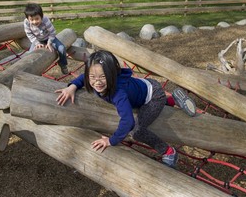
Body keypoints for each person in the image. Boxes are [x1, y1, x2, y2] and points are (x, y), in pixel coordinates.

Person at [55, 50, 196, 169]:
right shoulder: (95, 78)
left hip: (154, 97)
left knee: (137, 132)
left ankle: (168, 151)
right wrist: (72, 86)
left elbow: (128, 122)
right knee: (135, 99)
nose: (97, 82)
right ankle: (173, 99)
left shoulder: (118, 93)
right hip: (145, 86)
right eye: (93, 77)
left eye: (103, 77)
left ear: (112, 75)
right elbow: (83, 77)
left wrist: (111, 140)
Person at [23, 3, 69, 74]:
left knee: (61, 48)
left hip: (49, 37)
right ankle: (34, 71)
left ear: (41, 16)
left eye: (37, 19)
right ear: (27, 19)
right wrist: (37, 43)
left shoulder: (45, 20)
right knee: (30, 54)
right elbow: (29, 34)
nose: (34, 22)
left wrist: (49, 42)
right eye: (32, 20)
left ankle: (63, 64)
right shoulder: (26, 23)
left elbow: (52, 32)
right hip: (37, 40)